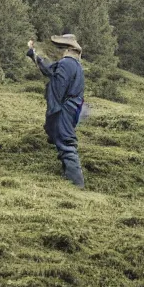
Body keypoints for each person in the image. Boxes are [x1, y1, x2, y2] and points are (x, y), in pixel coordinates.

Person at [27, 34, 86, 188]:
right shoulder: (74, 65)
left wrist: (55, 109)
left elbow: (58, 86)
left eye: (60, 48)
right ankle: (70, 178)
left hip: (64, 109)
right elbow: (49, 69)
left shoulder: (66, 63)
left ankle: (76, 185)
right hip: (71, 108)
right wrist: (33, 53)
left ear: (68, 49)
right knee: (61, 139)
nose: (58, 51)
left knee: (66, 143)